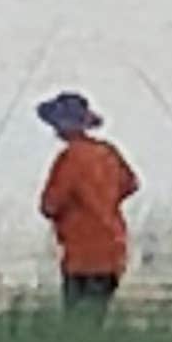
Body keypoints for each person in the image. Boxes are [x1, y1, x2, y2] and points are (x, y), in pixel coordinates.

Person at [36, 89, 137, 312]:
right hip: (113, 247)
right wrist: (105, 200)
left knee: (76, 322)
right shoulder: (108, 153)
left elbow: (49, 205)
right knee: (97, 314)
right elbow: (131, 184)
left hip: (82, 253)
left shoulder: (69, 158)